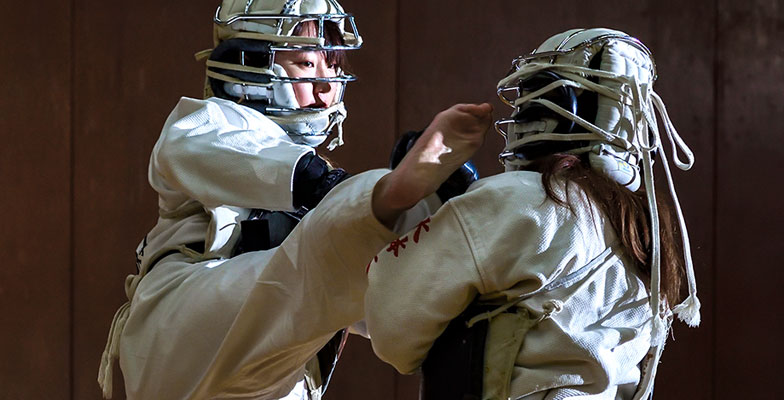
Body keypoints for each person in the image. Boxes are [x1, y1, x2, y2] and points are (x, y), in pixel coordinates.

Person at [96, 0, 492, 399]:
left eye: (333, 67)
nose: (326, 84)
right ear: (250, 64)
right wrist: (350, 188)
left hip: (270, 372)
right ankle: (395, 200)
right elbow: (240, 157)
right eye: (306, 63)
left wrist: (428, 230)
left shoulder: (316, 190)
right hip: (183, 321)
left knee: (355, 260)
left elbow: (356, 296)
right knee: (328, 242)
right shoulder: (210, 122)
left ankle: (420, 214)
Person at [363, 28, 700, 399]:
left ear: (558, 106)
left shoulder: (517, 198)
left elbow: (392, 326)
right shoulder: (646, 228)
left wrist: (439, 211)